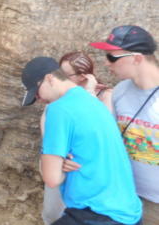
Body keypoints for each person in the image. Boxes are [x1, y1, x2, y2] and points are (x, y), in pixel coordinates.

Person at [22, 56, 142, 225]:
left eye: (37, 92)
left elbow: (52, 178)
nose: (39, 99)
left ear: (50, 78)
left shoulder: (58, 109)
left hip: (98, 214)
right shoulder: (93, 102)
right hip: (128, 211)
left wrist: (57, 163)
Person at [34, 51, 114, 224]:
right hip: (62, 166)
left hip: (90, 173)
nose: (60, 78)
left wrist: (89, 93)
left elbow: (105, 134)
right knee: (53, 214)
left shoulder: (104, 96)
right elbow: (48, 138)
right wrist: (58, 159)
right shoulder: (55, 102)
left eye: (66, 74)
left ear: (83, 77)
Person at [90, 25, 159, 225]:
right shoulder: (121, 90)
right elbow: (109, 139)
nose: (106, 63)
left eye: (112, 57)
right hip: (125, 197)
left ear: (137, 58)